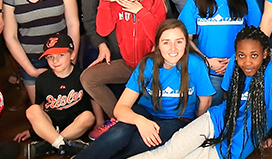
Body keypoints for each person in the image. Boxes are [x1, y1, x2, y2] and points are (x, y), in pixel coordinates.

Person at [130, 26, 272, 159]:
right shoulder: (234, 63)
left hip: (233, 146)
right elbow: (228, 97)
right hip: (214, 120)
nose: (247, 62)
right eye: (241, 55)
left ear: (264, 54)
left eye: (254, 55)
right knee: (166, 153)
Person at [77, 19, 215, 159]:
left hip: (177, 119)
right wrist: (140, 121)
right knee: (119, 133)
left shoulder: (195, 64)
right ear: (158, 45)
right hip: (146, 113)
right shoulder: (148, 64)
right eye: (166, 42)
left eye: (179, 42)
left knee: (141, 142)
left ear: (186, 43)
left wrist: (193, 129)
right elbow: (120, 108)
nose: (173, 48)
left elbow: (206, 101)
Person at [83, 0, 167, 138]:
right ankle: (118, 119)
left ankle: (140, 125)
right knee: (88, 78)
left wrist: (141, 12)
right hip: (129, 65)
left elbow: (159, 37)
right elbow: (103, 30)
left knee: (152, 106)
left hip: (152, 68)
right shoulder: (117, 3)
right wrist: (105, 1)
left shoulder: (155, 2)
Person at [179, 0, 261, 105]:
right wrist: (206, 61)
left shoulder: (246, 0)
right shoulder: (194, 3)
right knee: (208, 117)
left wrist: (236, 60)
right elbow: (184, 40)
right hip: (209, 72)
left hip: (242, 69)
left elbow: (258, 37)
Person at [2, 0, 79, 104]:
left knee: (70, 108)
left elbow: (73, 23)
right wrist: (29, 69)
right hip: (31, 60)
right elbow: (10, 36)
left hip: (62, 56)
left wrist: (71, 55)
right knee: (42, 111)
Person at [20, 33, 93, 158]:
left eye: (61, 55)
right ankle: (65, 146)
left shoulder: (82, 75)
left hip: (75, 124)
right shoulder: (43, 79)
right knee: (32, 110)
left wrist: (100, 122)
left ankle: (50, 144)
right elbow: (40, 107)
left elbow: (93, 100)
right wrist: (33, 131)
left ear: (72, 55)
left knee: (88, 116)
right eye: (50, 57)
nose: (55, 61)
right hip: (52, 123)